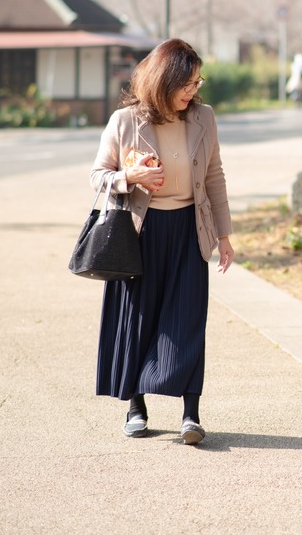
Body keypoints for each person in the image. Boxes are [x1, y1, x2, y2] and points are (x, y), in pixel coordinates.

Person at [88, 38, 235, 445]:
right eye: (186, 83)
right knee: (139, 320)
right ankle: (136, 408)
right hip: (141, 232)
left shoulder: (204, 117)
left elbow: (214, 176)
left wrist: (224, 235)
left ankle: (191, 415)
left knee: (187, 321)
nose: (193, 90)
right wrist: (130, 177)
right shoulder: (125, 121)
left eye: (197, 81)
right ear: (162, 81)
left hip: (190, 229)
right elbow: (97, 176)